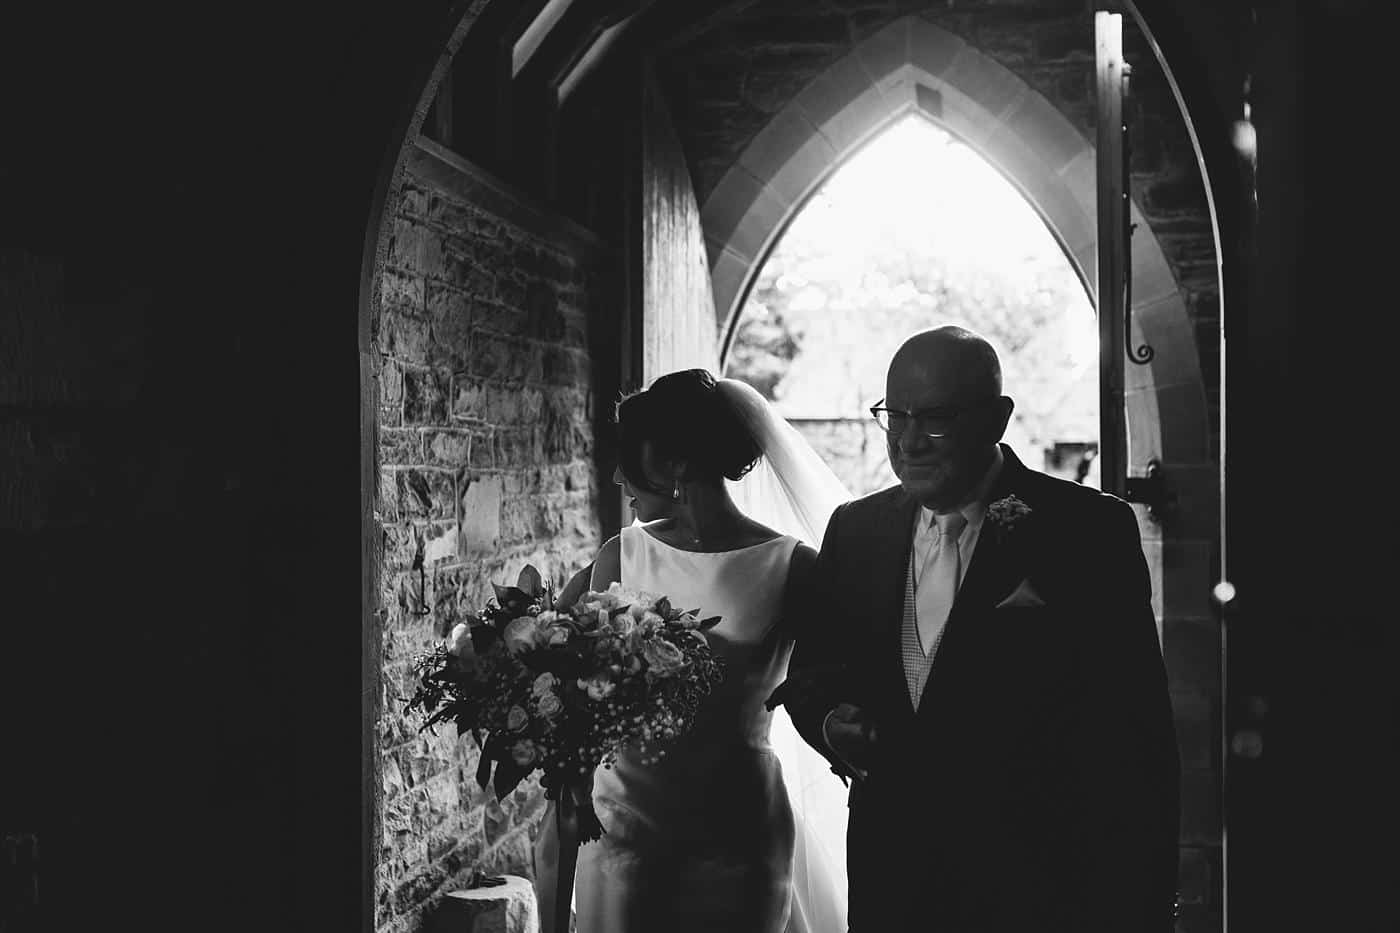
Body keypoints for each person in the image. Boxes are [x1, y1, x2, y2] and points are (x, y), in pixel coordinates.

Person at [775, 326, 1181, 932]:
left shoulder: (1087, 531)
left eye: (935, 418)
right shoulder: (855, 531)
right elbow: (812, 675)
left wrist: (1142, 905)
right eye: (895, 415)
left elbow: (1135, 737)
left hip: (1038, 886)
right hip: (893, 878)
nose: (909, 440)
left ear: (997, 418)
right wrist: (833, 724)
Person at [557, 368, 849, 933]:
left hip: (738, 827)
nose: (618, 474)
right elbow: (564, 672)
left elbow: (835, 681)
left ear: (677, 462)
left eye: (630, 456)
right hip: (624, 824)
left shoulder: (792, 567)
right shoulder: (621, 555)